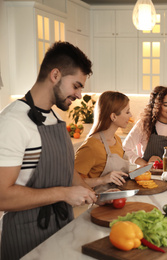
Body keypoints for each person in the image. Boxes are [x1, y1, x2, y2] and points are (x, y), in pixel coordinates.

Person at [0, 41, 96, 260]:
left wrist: (92, 194)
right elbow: (2, 196)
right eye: (76, 85)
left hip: (61, 228)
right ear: (55, 75)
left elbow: (65, 169)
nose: (80, 94)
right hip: (25, 235)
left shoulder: (55, 118)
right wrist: (64, 194)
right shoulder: (12, 122)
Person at [74, 91, 132, 192]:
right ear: (113, 116)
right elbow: (72, 182)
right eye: (127, 112)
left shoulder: (117, 139)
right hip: (97, 203)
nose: (130, 115)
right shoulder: (91, 146)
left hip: (117, 198)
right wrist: (102, 180)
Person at [123, 86, 167, 166]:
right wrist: (145, 164)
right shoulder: (144, 125)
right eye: (166, 105)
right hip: (147, 175)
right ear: (156, 106)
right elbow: (125, 149)